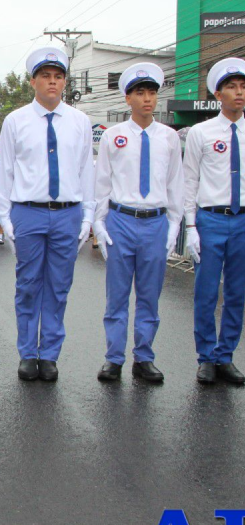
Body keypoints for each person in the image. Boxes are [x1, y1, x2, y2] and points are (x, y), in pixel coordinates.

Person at [0, 46, 94, 382]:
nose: (52, 82)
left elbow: (85, 172)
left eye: (58, 76)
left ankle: (49, 354)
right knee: (28, 285)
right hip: (28, 213)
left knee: (58, 287)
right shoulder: (16, 121)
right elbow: (4, 171)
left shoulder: (80, 121)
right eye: (46, 76)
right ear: (33, 81)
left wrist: (88, 216)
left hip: (67, 213)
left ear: (65, 81)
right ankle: (28, 353)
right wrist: (4, 218)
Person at [93, 63, 184, 383]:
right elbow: (102, 182)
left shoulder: (169, 138)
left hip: (155, 222)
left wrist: (174, 226)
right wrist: (99, 224)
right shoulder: (113, 137)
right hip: (121, 220)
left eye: (152, 93)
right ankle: (114, 358)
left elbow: (175, 184)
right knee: (117, 295)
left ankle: (143, 357)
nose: (147, 99)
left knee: (149, 296)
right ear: (128, 99)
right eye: (140, 93)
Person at [183, 57, 245, 385]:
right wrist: (191, 227)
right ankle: (206, 356)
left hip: (243, 221)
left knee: (237, 293)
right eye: (232, 87)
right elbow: (190, 182)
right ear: (218, 94)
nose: (239, 93)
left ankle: (226, 355)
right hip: (211, 220)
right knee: (206, 293)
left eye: (243, 86)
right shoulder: (201, 133)